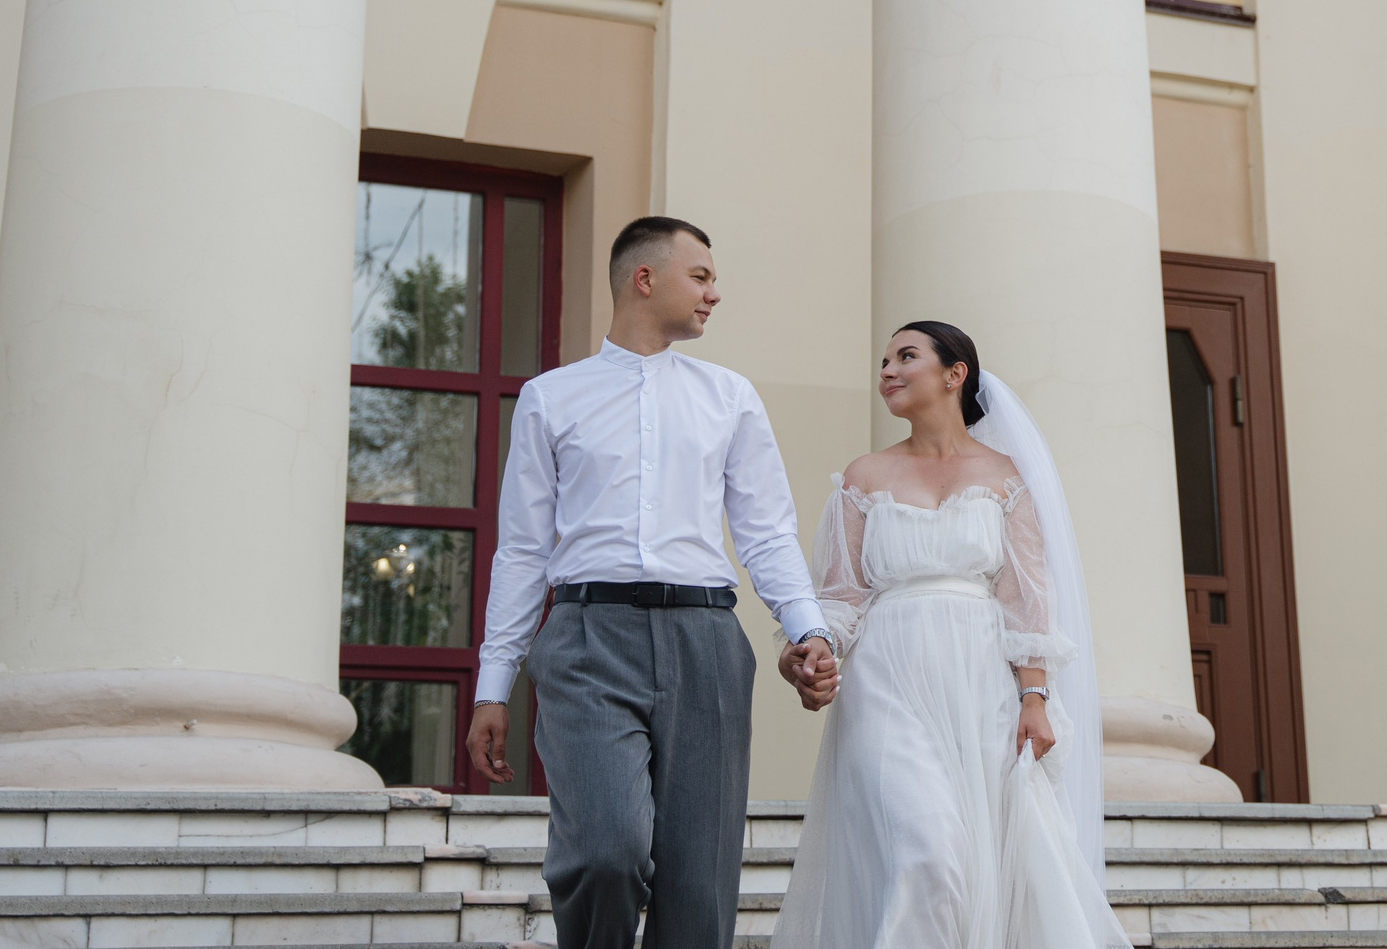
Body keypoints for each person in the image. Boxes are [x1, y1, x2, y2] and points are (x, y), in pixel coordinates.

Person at [464, 216, 840, 949]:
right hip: (586, 639)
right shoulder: (550, 397)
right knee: (603, 852)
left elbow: (765, 532)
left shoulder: (730, 396)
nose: (714, 294)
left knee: (699, 887)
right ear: (645, 278)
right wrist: (492, 685)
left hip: (707, 640)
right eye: (700, 276)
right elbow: (523, 550)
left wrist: (808, 629)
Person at [772, 321, 1126, 949]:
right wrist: (814, 648)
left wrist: (1035, 699)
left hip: (981, 686)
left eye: (905, 356)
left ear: (954, 373)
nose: (887, 371)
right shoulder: (863, 477)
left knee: (979, 861)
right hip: (886, 683)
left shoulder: (1007, 478)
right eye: (884, 361)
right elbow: (842, 595)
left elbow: (1027, 601)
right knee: (926, 855)